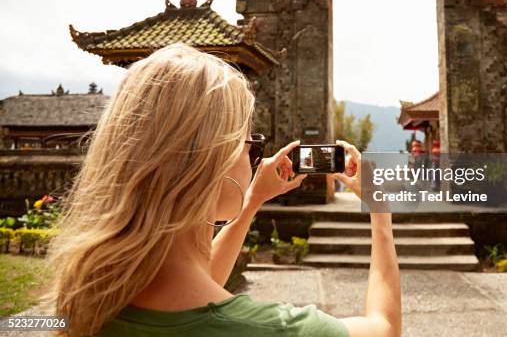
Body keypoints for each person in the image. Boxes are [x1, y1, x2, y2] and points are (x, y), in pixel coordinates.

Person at [42, 42, 401, 337]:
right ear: (216, 161)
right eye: (252, 147)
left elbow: (196, 281)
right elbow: (384, 327)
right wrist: (379, 212)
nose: (254, 160)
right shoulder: (279, 330)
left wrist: (252, 199)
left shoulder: (84, 299)